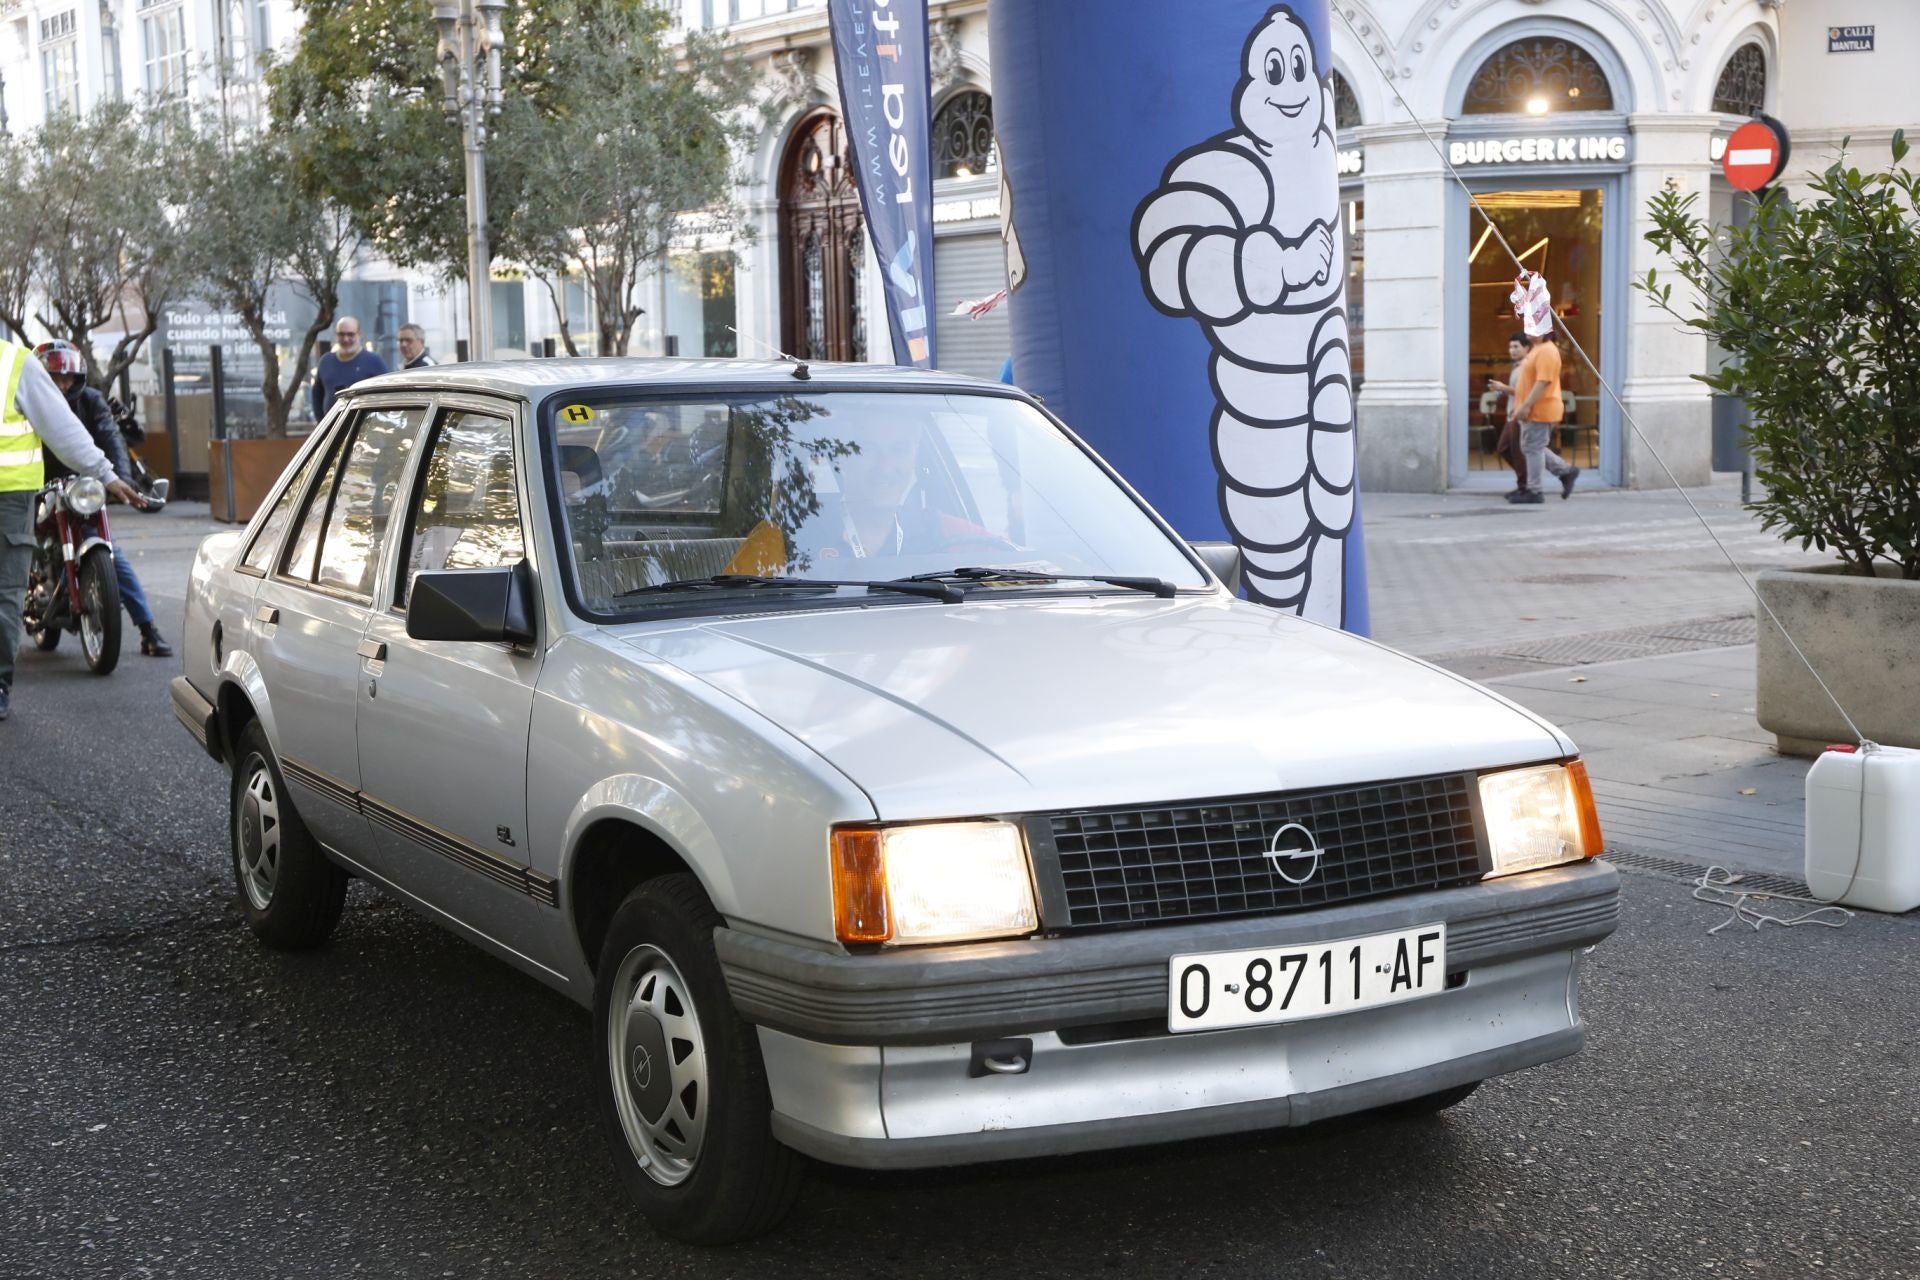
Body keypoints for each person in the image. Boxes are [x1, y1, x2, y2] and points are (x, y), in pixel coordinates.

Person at [0, 336, 145, 722]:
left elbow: (75, 431)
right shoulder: (16, 362)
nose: (63, 384)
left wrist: (112, 476)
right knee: (7, 592)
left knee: (8, 592)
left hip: (20, 495)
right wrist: (110, 475)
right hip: (19, 494)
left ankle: (148, 626)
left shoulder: (17, 364)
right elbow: (63, 430)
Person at [34, 342, 172, 658]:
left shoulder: (91, 401)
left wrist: (120, 480)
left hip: (82, 487)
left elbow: (112, 438)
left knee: (111, 554)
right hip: (35, 485)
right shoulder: (31, 402)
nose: (63, 384)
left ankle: (147, 628)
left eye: (68, 378)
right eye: (55, 377)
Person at [1507, 328, 1579, 504]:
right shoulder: (1538, 349)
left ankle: (1535, 490)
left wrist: (1526, 405)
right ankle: (1565, 471)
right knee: (1532, 447)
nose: (1528, 331)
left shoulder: (1547, 350)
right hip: (1534, 409)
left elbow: (1543, 382)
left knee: (1533, 448)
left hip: (1541, 409)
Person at [310, 316, 388, 421]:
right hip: (331, 430)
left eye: (350, 334)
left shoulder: (375, 361)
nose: (346, 339)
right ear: (336, 335)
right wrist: (321, 423)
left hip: (363, 430)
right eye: (341, 334)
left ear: (359, 334)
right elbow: (317, 396)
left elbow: (386, 398)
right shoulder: (325, 361)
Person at [1485, 332, 1530, 494]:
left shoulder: (1526, 367)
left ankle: (1524, 485)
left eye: (1516, 346)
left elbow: (1525, 392)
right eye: (1510, 347)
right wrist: (1501, 390)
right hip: (1512, 414)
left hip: (1519, 415)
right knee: (1504, 448)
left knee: (1517, 452)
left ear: (1526, 348)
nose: (1512, 350)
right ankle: (1525, 480)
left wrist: (1502, 388)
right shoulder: (1517, 367)